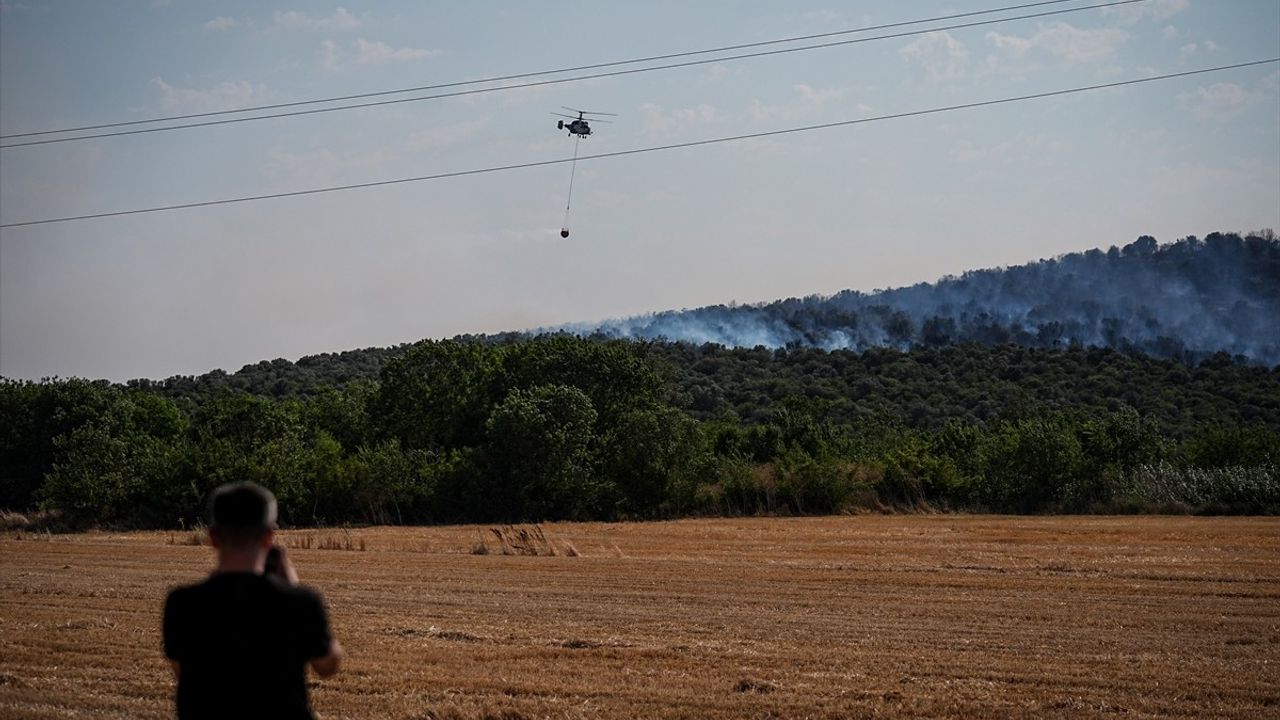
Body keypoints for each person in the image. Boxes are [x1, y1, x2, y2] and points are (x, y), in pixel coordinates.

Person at [163, 482, 344, 720]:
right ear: (269, 537)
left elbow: (181, 671)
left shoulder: (182, 603)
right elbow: (327, 666)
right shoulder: (300, 602)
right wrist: (293, 589)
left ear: (213, 537)